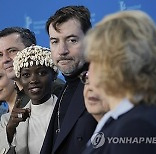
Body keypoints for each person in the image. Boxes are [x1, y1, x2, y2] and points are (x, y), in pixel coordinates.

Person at [83, 10, 156, 154]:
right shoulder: (130, 119)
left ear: (113, 66)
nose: (89, 70)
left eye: (93, 60)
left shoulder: (138, 128)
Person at [41, 5, 97, 154]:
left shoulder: (105, 86)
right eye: (55, 41)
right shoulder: (65, 88)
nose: (62, 51)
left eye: (72, 40)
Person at [0, 45, 58, 154]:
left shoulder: (66, 111)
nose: (33, 80)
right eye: (26, 75)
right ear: (19, 79)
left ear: (54, 75)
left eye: (42, 73)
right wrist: (9, 130)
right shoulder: (7, 120)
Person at [0, 27, 64, 108]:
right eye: (0, 55)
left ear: (32, 50)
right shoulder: (18, 95)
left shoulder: (53, 88)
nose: (5, 60)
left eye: (12, 51)